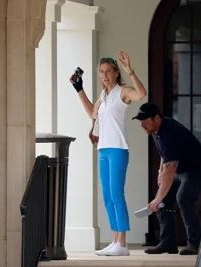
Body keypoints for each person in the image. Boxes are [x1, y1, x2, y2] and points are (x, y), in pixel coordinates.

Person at [69, 51, 147, 256]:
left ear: (115, 73)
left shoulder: (123, 92)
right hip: (103, 149)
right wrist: (79, 89)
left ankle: (122, 243)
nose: (104, 75)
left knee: (116, 193)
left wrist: (130, 70)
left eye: (108, 71)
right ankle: (115, 241)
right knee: (107, 197)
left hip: (118, 149)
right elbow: (91, 114)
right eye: (101, 72)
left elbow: (141, 94)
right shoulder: (103, 96)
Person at [132, 102, 201, 255]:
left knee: (183, 198)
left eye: (144, 120)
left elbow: (170, 170)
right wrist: (159, 171)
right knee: (164, 201)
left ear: (156, 118)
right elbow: (165, 155)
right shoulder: (156, 130)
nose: (141, 124)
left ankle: (195, 244)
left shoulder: (170, 132)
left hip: (197, 168)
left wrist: (157, 198)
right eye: (139, 121)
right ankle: (168, 243)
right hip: (181, 169)